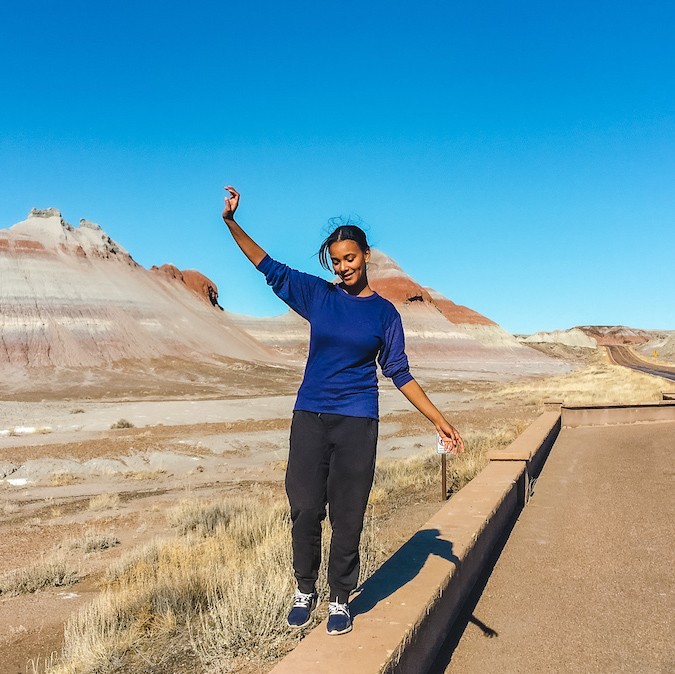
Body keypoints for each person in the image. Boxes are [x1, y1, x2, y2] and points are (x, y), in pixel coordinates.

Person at [222, 186, 464, 636]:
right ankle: (304, 589)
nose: (343, 266)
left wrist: (439, 419)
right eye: (336, 260)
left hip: (358, 422)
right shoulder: (319, 296)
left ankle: (339, 598)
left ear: (366, 255)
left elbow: (399, 372)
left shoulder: (385, 315)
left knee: (348, 513)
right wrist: (232, 222)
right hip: (310, 415)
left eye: (350, 258)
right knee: (305, 506)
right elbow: (268, 268)